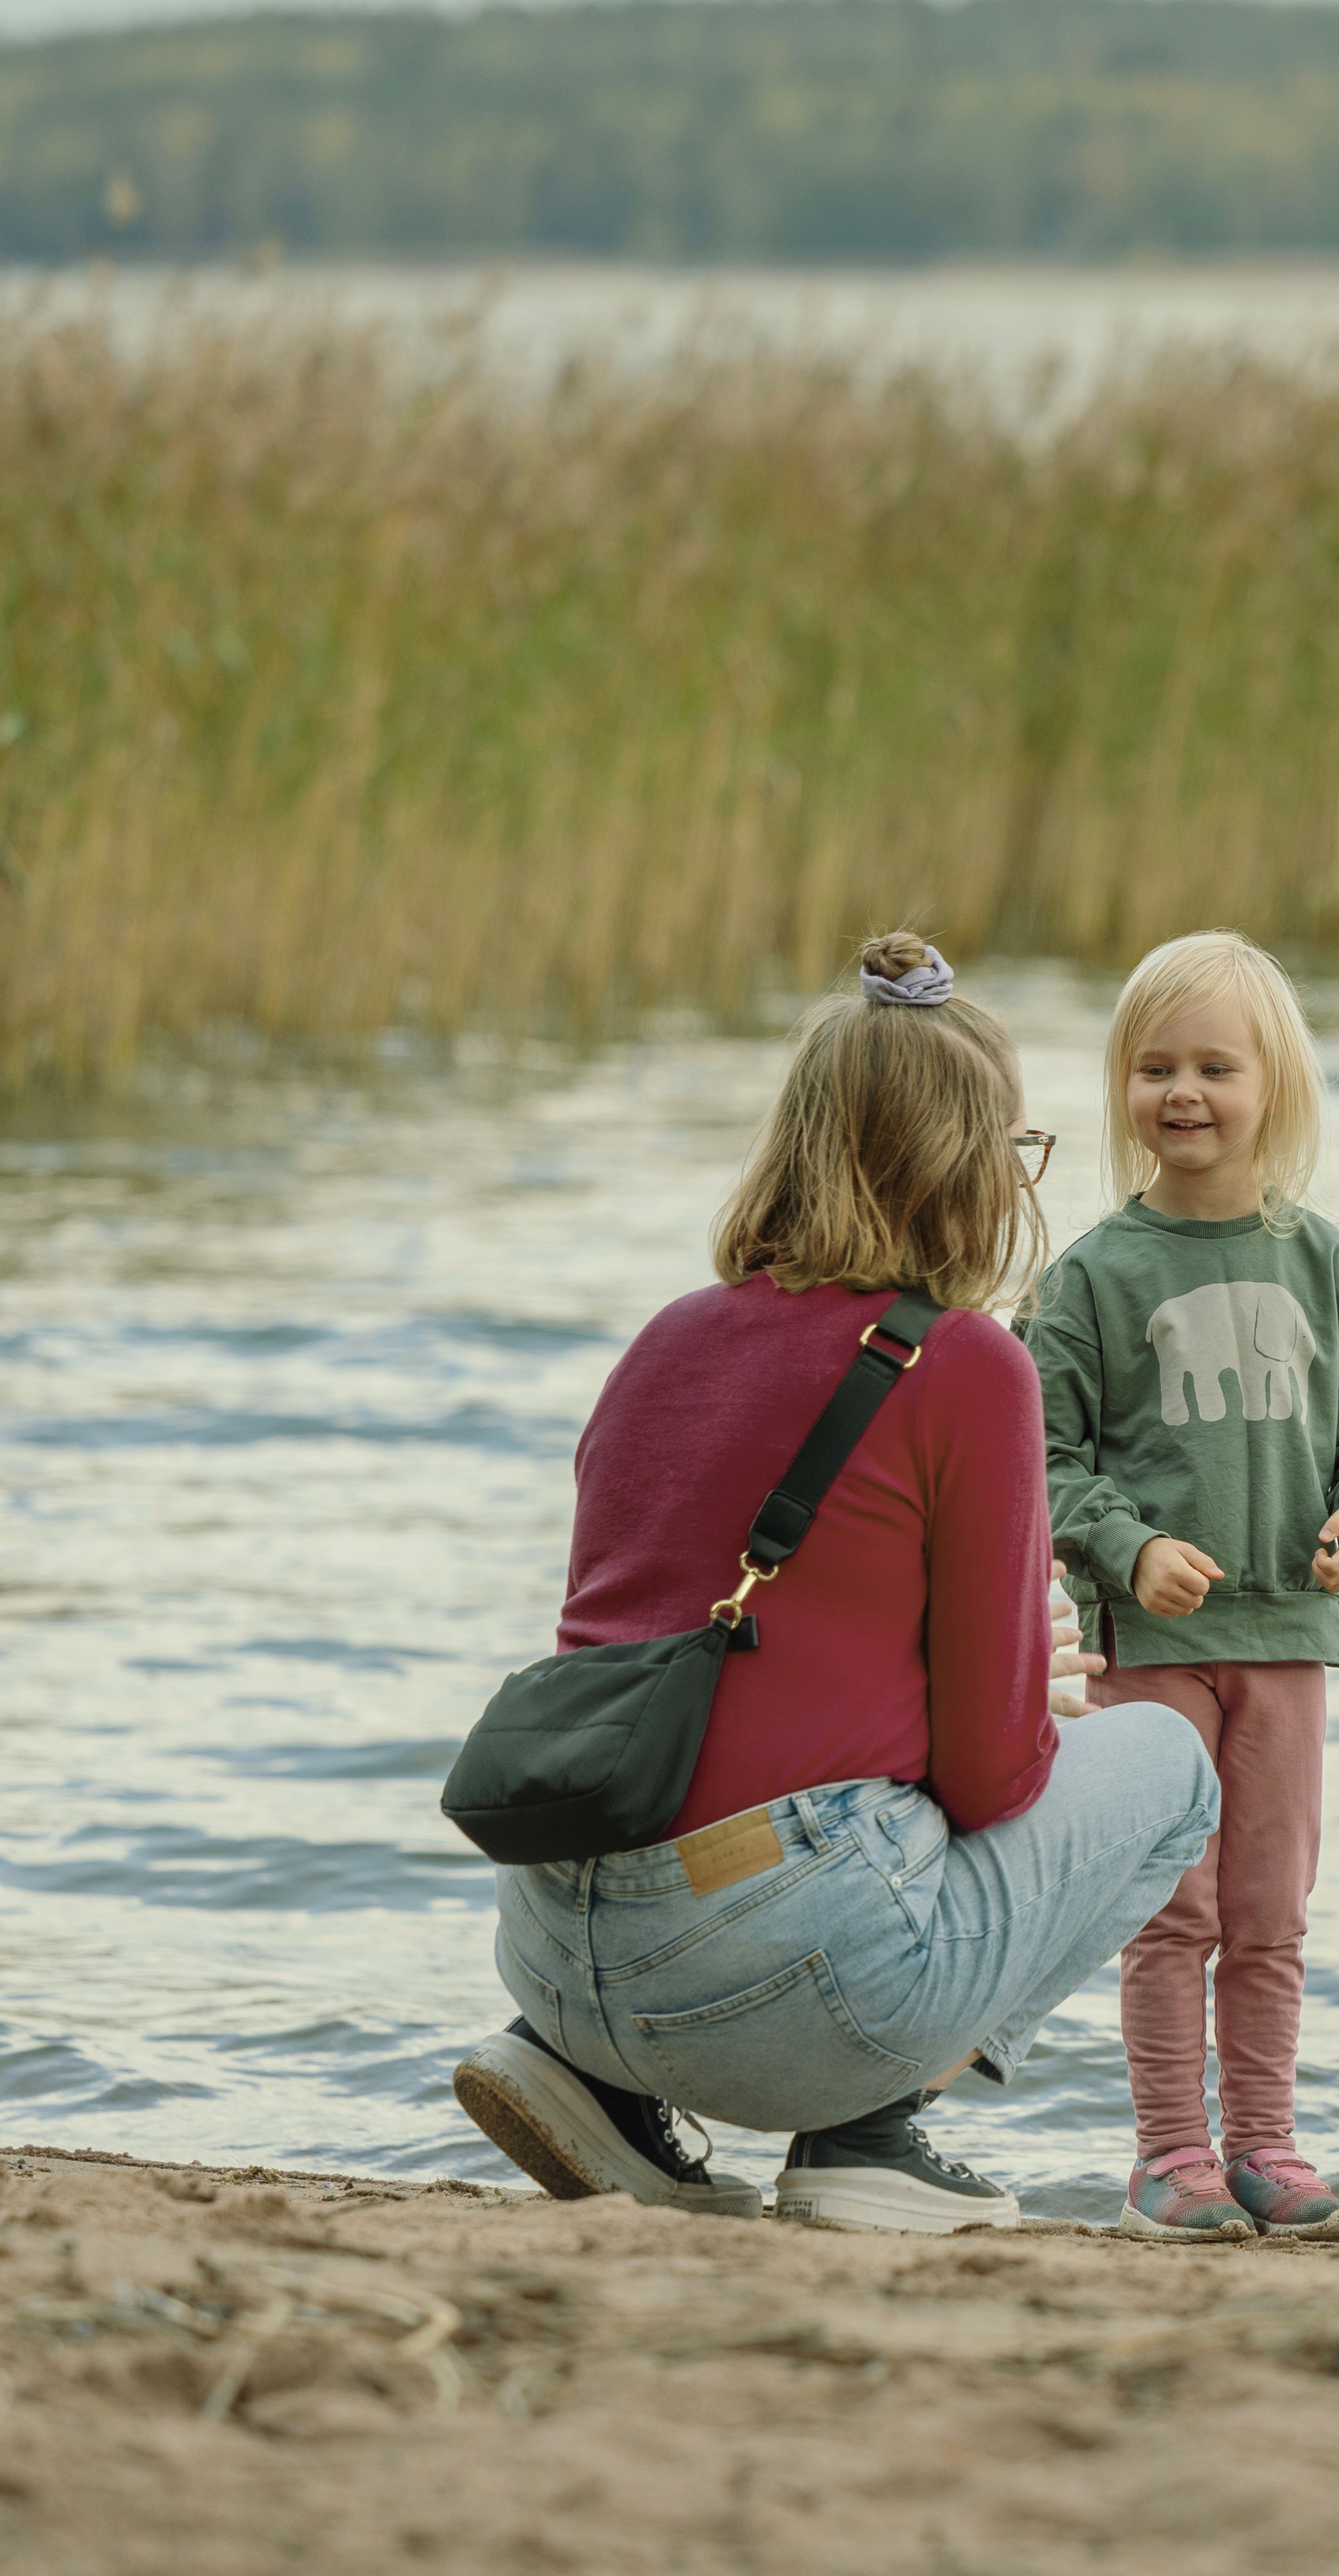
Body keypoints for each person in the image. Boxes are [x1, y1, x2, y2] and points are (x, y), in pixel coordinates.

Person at [449, 932, 1218, 2233]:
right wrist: (1027, 1682)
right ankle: (867, 2133)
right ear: (971, 1167)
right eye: (1017, 1151)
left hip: (548, 1938)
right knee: (1171, 1759)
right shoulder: (967, 1363)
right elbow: (991, 1775)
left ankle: (593, 2082)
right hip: (781, 1976)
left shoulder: (667, 1335)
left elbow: (649, 1649)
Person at [1028, 930, 1339, 2243]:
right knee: (1173, 1911)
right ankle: (1166, 2155)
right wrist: (1127, 1544)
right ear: (1123, 1089)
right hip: (1152, 1646)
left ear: (1276, 1088)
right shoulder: (1094, 1273)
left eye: (1214, 1065)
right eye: (1155, 1067)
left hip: (1290, 1643)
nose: (1183, 1091)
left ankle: (1264, 2142)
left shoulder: (1323, 1262)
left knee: (1269, 1913)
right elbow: (1041, 1460)